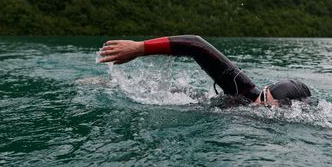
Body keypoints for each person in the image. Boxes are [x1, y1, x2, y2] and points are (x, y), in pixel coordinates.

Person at [99, 35, 311, 106]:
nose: (259, 101)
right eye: (263, 95)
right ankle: (104, 84)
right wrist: (139, 48)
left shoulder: (265, 112)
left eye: (264, 98)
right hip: (197, 102)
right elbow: (195, 44)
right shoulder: (245, 91)